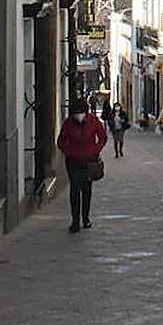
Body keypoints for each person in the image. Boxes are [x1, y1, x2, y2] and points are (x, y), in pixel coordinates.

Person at [56, 97, 107, 233]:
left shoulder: (93, 121)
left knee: (86, 190)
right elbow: (61, 141)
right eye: (76, 112)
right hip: (73, 162)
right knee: (74, 190)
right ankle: (75, 221)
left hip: (89, 161)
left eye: (81, 112)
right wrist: (68, 151)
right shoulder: (68, 123)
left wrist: (95, 150)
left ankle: (86, 218)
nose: (79, 115)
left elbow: (103, 137)